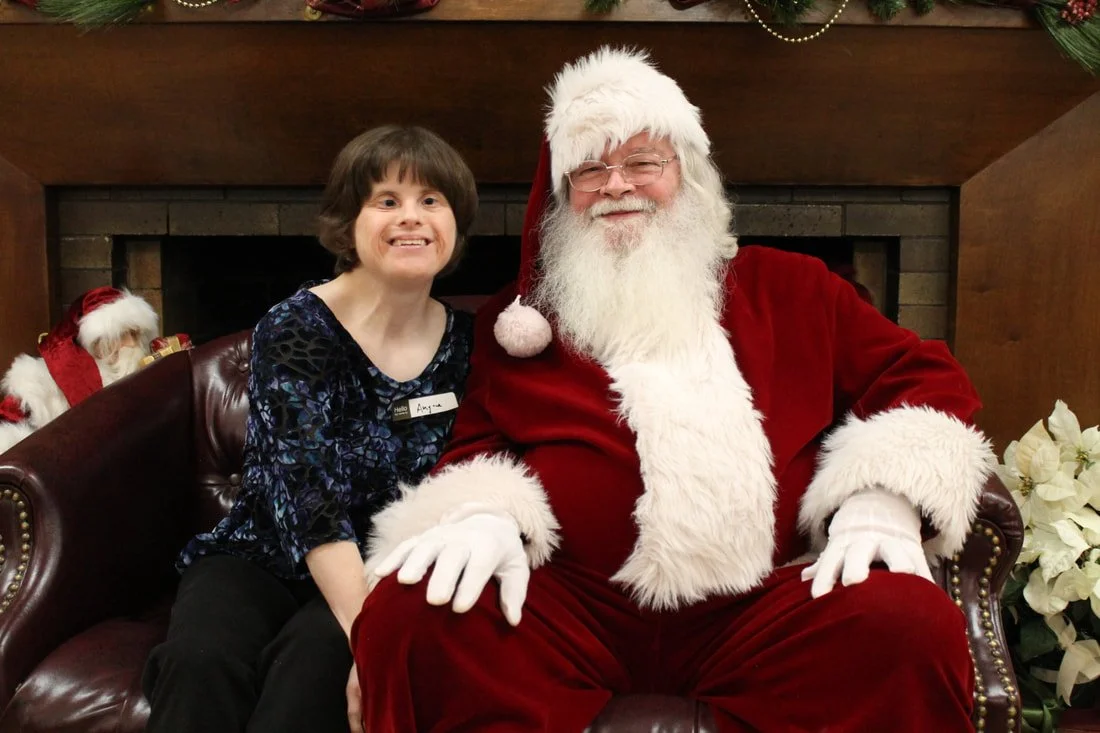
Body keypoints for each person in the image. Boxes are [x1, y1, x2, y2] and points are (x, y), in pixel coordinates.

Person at [351, 47, 996, 733]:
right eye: (590, 169)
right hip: (572, 612)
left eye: (642, 163)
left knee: (910, 625)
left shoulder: (795, 287)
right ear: (565, 195)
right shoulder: (522, 322)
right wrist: (483, 513)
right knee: (410, 612)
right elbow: (481, 440)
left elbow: (924, 375)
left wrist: (882, 497)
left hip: (760, 609)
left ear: (685, 174)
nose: (617, 184)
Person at [141, 125, 478, 733]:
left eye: (432, 200)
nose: (412, 218)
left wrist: (367, 635)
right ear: (349, 222)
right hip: (262, 555)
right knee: (199, 662)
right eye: (387, 200)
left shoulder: (468, 347)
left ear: (455, 224)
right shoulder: (296, 328)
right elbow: (310, 495)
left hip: (385, 564)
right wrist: (370, 637)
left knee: (315, 667)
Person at [0, 286, 158, 453]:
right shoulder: (38, 382)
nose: (133, 344)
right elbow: (8, 424)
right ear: (98, 342)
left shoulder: (138, 369)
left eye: (136, 334)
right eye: (123, 335)